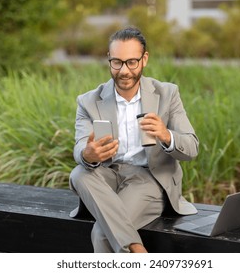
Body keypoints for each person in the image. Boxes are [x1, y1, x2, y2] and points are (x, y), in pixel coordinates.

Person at [69, 27, 199, 253]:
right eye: (117, 62)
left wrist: (165, 135)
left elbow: (192, 147)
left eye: (131, 62)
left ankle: (135, 249)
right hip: (107, 175)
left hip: (147, 177)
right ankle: (137, 249)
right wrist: (87, 154)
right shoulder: (88, 101)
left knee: (102, 235)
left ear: (144, 59)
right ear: (109, 60)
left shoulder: (168, 94)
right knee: (79, 172)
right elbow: (80, 146)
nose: (124, 71)